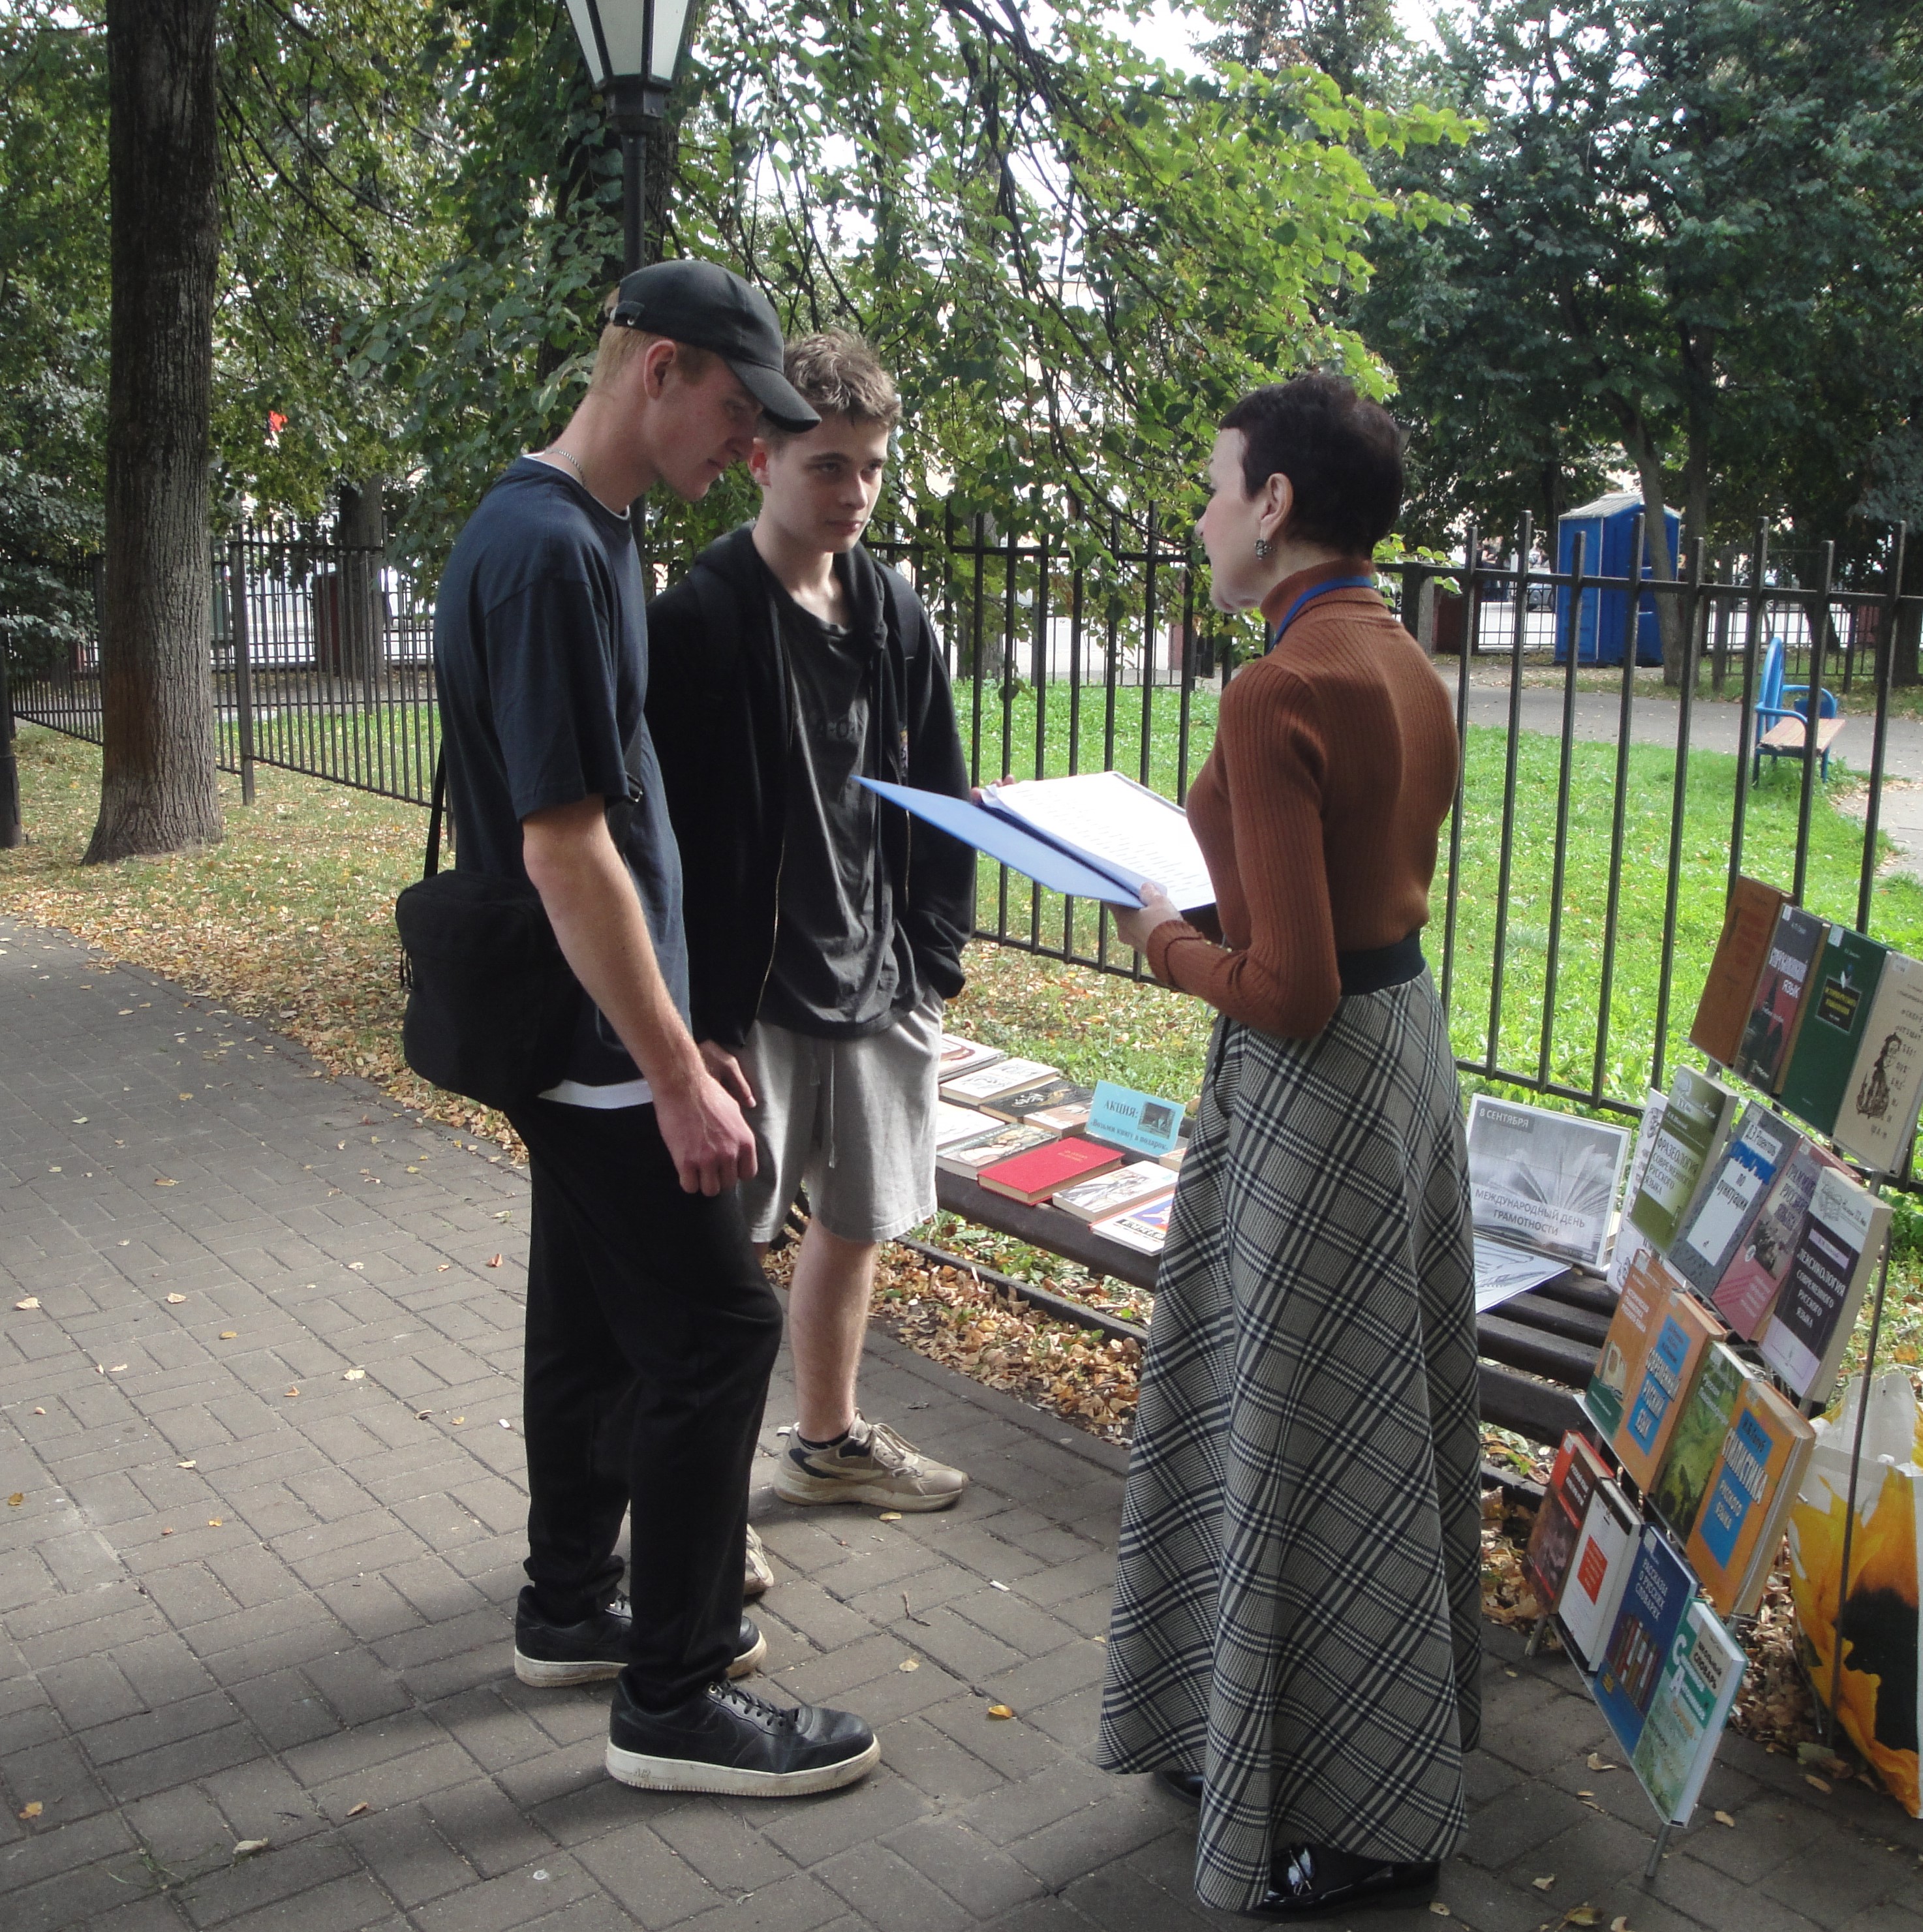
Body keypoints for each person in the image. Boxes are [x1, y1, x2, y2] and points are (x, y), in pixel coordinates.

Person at [433, 260, 878, 1798]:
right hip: (593, 1038)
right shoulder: (549, 551)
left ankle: (570, 1603)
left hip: (607, 1027)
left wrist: (687, 1022)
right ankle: (674, 1695)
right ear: (660, 369)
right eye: (741, 412)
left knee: (586, 1313)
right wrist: (672, 1065)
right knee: (718, 1334)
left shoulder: (591, 533)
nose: (750, 446)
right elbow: (566, 847)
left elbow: (620, 817)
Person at [1095, 373, 1481, 1917]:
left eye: (1213, 486)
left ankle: (1363, 1814)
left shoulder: (1274, 690)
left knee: (1305, 1433)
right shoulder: (1402, 658)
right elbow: (1332, 914)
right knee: (1371, 1424)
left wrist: (1160, 941)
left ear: (1273, 504)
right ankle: (1314, 1748)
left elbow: (1287, 986)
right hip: (1403, 1060)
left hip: (1311, 1086)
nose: (1199, 516)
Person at [647, 331, 975, 1531]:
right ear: (762, 460)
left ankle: (826, 1446)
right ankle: (698, 1519)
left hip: (880, 980)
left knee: (856, 1222)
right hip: (751, 1006)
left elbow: (939, 793)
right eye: (828, 465)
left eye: (873, 467)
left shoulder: (893, 610)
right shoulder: (702, 619)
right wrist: (692, 1016)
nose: (855, 493)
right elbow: (661, 836)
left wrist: (931, 957)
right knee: (718, 1262)